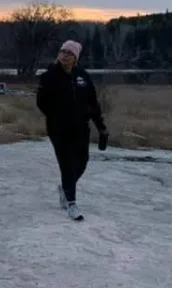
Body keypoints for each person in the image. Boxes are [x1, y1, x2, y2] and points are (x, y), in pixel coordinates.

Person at [36, 40, 109, 221]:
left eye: (69, 53)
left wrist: (101, 127)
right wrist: (55, 116)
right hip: (58, 128)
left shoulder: (82, 76)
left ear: (75, 57)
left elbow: (92, 104)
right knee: (67, 164)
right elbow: (41, 102)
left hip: (80, 127)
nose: (64, 55)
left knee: (82, 161)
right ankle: (72, 203)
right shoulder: (49, 76)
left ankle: (65, 188)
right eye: (62, 51)